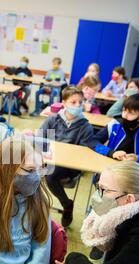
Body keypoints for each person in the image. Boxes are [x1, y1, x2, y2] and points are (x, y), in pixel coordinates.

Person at [39, 86, 94, 227]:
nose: (77, 105)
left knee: (50, 175)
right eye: (73, 102)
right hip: (49, 160)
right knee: (24, 169)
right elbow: (40, 139)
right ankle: (31, 205)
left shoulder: (85, 126)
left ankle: (67, 205)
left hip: (69, 166)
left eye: (80, 103)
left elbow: (83, 152)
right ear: (64, 102)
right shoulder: (53, 120)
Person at [90, 94, 139, 166]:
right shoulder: (115, 124)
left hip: (133, 172)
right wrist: (111, 153)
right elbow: (92, 141)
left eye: (131, 113)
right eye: (124, 111)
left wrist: (138, 158)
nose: (125, 116)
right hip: (110, 168)